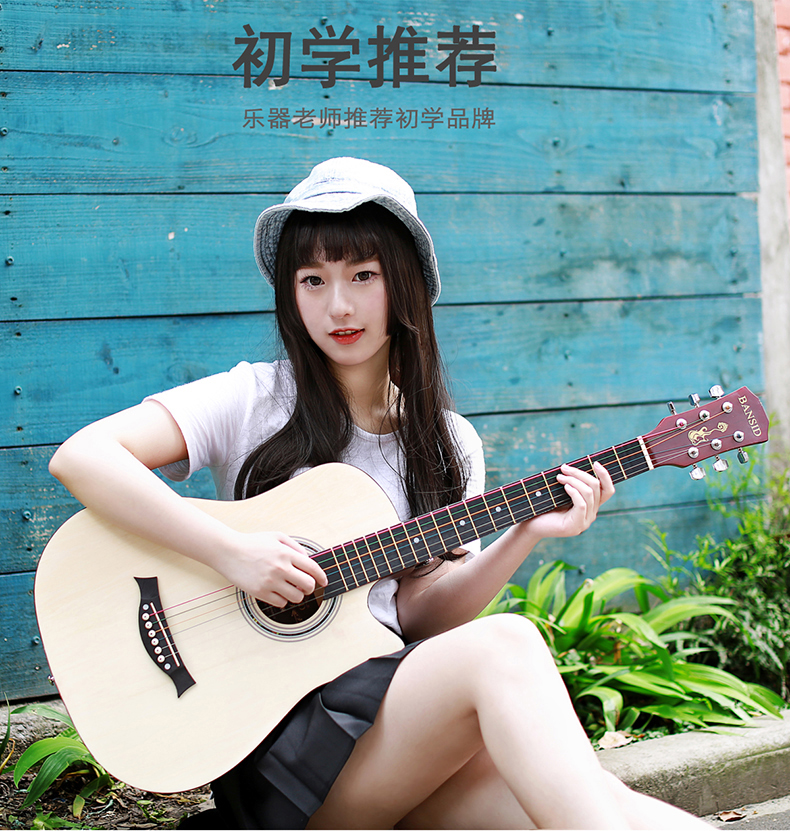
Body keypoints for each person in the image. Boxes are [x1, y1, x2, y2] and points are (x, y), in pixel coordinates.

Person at [49, 158, 708, 830]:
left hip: (382, 740)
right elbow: (83, 456)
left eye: (363, 275)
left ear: (405, 282)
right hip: (275, 754)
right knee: (507, 645)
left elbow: (418, 619)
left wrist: (524, 534)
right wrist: (231, 553)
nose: (338, 306)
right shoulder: (253, 398)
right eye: (313, 280)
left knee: (600, 800)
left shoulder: (448, 443)